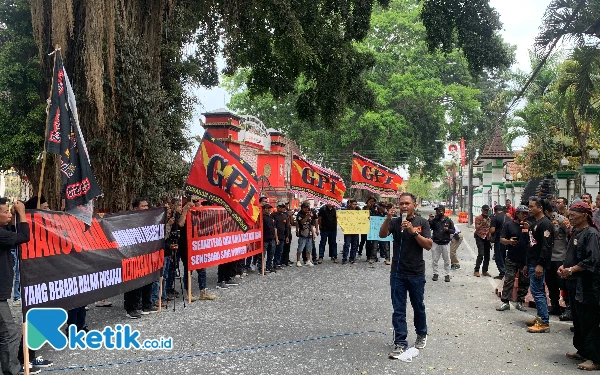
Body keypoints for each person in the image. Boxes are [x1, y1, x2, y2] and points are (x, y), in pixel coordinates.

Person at [379, 193, 432, 359]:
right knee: (398, 309)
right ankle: (400, 342)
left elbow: (428, 245)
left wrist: (413, 231)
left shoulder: (422, 222)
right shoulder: (395, 221)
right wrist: (388, 218)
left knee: (418, 306)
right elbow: (382, 235)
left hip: (416, 272)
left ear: (414, 205)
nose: (404, 206)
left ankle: (421, 334)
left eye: (407, 203)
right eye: (401, 203)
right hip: (397, 273)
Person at [558, 201, 600, 370]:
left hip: (588, 286)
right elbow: (571, 255)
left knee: (589, 321)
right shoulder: (575, 232)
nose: (571, 219)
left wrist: (571, 270)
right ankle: (582, 350)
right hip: (574, 284)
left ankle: (595, 358)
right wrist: (564, 266)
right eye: (569, 216)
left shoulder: (591, 234)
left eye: (573, 216)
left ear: (584, 216)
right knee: (578, 320)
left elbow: (593, 260)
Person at [524, 197, 553, 333]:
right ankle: (540, 317)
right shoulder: (535, 223)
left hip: (537, 263)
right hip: (532, 261)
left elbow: (546, 247)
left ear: (540, 208)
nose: (529, 209)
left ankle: (544, 322)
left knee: (538, 292)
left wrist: (540, 264)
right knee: (536, 291)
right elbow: (532, 245)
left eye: (531, 207)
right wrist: (526, 263)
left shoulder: (545, 224)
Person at [178, 200, 216, 301]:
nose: (196, 204)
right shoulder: (182, 213)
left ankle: (203, 292)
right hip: (186, 247)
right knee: (188, 270)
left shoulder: (199, 214)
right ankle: (188, 293)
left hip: (198, 247)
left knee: (202, 269)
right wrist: (186, 210)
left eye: (197, 202)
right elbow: (181, 224)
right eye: (194, 202)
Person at [496, 205, 530, 312]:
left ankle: (520, 301)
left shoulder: (529, 225)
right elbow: (501, 239)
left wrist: (528, 229)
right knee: (509, 280)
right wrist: (510, 242)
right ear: (517, 213)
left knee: (524, 281)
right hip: (511, 257)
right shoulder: (509, 224)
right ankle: (505, 302)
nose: (525, 215)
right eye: (522, 213)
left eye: (526, 213)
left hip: (525, 259)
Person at [545, 204, 569, 316]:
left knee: (563, 283)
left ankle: (569, 308)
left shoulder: (562, 220)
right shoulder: (544, 221)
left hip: (560, 256)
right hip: (549, 257)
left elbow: (570, 233)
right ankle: (555, 306)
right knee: (551, 283)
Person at [428, 205, 455, 282]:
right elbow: (430, 227)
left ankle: (447, 274)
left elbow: (453, 231)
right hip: (436, 242)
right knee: (434, 259)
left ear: (443, 211)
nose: (438, 212)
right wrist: (430, 220)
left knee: (446, 260)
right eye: (437, 211)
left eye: (439, 211)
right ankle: (435, 273)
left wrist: (448, 230)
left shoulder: (449, 221)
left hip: (445, 243)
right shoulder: (435, 220)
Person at [473, 205, 492, 277]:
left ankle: (485, 270)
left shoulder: (489, 219)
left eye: (487, 210)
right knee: (481, 254)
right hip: (479, 237)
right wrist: (482, 224)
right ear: (482, 210)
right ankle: (476, 270)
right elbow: (476, 228)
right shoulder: (478, 218)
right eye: (485, 210)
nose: (486, 212)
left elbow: (489, 228)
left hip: (487, 237)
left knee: (487, 255)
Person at [296, 202, 317, 267]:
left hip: (309, 234)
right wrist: (307, 216)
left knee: (309, 248)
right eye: (305, 207)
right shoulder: (299, 214)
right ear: (302, 208)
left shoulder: (310, 214)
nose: (307, 208)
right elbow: (301, 222)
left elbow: (311, 225)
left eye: (307, 207)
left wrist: (313, 233)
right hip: (303, 233)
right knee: (300, 248)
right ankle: (298, 261)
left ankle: (308, 260)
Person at [490, 205, 507, 279]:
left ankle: (502, 273)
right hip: (507, 239)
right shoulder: (507, 217)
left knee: (498, 256)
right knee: (505, 256)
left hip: (499, 238)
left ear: (495, 211)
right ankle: (506, 273)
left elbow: (492, 230)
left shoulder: (495, 218)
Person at [259, 204, 278, 273]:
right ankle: (261, 268)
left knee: (271, 254)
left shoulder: (271, 217)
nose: (269, 209)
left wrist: (276, 238)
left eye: (270, 208)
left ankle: (269, 267)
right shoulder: (262, 217)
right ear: (263, 209)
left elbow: (275, 228)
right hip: (264, 239)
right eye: (267, 208)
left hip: (272, 238)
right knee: (262, 255)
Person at [272, 201, 291, 269]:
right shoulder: (273, 215)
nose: (284, 208)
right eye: (282, 207)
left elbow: (287, 227)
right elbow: (273, 227)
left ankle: (278, 263)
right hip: (274, 237)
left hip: (282, 236)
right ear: (278, 207)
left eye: (284, 207)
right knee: (273, 251)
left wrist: (287, 236)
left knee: (280, 251)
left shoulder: (285, 216)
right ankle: (272, 264)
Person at [341, 200, 360, 264]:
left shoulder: (358, 210)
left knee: (354, 245)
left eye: (356, 204)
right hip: (348, 230)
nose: (355, 205)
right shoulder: (346, 210)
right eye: (353, 204)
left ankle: (352, 258)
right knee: (347, 244)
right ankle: (344, 258)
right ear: (350, 204)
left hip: (355, 230)